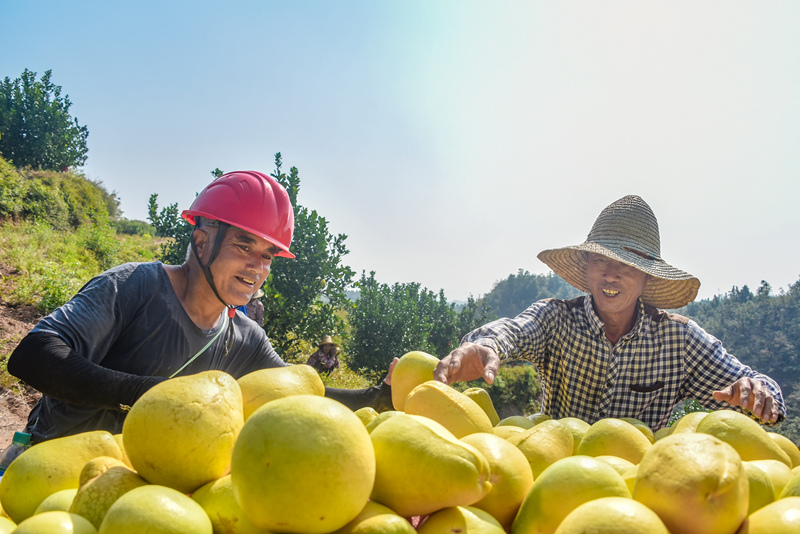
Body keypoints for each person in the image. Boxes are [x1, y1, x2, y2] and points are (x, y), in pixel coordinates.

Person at [8, 171, 391, 443]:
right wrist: (154, 395)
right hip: (50, 475)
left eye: (268, 256)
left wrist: (378, 396)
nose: (257, 268)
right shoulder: (134, 286)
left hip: (137, 497)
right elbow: (34, 355)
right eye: (244, 246)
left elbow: (301, 394)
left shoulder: (245, 340)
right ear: (202, 240)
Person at [434, 195, 785, 431]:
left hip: (641, 493)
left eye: (626, 264)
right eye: (600, 260)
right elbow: (513, 331)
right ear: (587, 268)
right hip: (555, 472)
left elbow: (760, 388)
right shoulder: (556, 319)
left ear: (646, 277)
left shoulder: (680, 341)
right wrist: (487, 346)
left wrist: (757, 393)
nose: (610, 274)